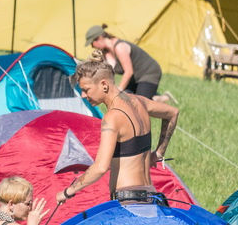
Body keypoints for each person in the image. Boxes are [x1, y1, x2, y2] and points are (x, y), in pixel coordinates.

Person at [55, 58, 179, 206]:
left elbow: (100, 168)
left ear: (104, 85)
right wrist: (159, 152)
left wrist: (68, 191)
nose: (83, 95)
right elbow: (173, 113)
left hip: (127, 200)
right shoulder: (139, 101)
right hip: (150, 195)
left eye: (86, 89)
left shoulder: (112, 118)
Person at [84, 24, 164, 100]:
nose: (92, 46)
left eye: (92, 43)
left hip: (149, 72)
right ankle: (156, 97)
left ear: (99, 38)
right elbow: (105, 74)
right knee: (125, 98)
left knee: (140, 103)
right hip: (135, 77)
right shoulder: (105, 54)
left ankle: (158, 99)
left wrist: (119, 91)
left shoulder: (120, 47)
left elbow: (128, 72)